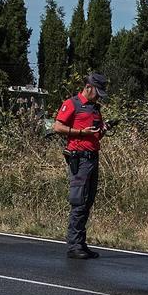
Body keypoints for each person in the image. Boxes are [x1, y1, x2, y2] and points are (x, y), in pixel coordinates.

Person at [53, 73, 109, 260]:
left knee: (88, 201)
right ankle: (73, 245)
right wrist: (80, 132)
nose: (99, 96)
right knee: (78, 201)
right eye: (97, 92)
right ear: (88, 87)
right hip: (79, 159)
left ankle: (81, 243)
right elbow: (57, 127)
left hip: (93, 157)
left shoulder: (95, 108)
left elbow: (94, 135)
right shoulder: (73, 103)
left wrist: (101, 131)